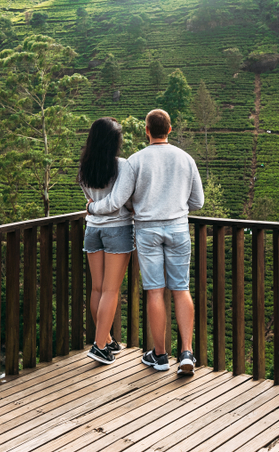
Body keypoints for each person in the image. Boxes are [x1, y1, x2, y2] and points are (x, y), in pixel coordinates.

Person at [86, 109, 204, 375]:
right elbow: (198, 201)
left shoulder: (135, 161)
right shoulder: (186, 158)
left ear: (147, 131)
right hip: (178, 228)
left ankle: (160, 355)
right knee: (181, 288)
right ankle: (186, 352)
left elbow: (123, 200)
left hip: (147, 230)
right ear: (170, 130)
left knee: (154, 291)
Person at [78, 117, 135, 365]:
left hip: (93, 231)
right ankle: (99, 346)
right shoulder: (122, 166)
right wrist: (97, 209)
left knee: (98, 289)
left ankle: (107, 339)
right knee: (111, 291)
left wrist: (91, 210)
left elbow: (91, 202)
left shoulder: (84, 167)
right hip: (117, 231)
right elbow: (116, 203)